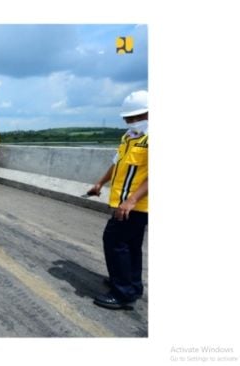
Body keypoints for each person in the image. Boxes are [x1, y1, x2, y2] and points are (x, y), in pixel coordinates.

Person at [87, 90, 149, 310]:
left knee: (114, 242)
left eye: (135, 117)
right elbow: (117, 163)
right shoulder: (129, 137)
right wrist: (100, 183)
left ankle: (122, 293)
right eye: (127, 118)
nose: (130, 121)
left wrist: (131, 201)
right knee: (130, 245)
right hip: (124, 203)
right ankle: (131, 285)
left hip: (137, 205)